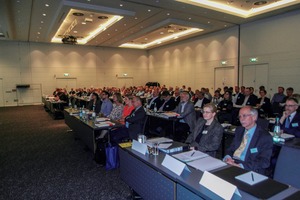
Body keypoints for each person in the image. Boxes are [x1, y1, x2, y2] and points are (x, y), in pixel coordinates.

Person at [223, 106, 273, 175]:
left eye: (244, 116)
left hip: (248, 167)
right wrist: (228, 157)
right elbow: (231, 148)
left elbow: (264, 161)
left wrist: (241, 166)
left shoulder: (264, 136)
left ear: (254, 117)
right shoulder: (239, 130)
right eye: (240, 116)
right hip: (233, 162)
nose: (241, 119)